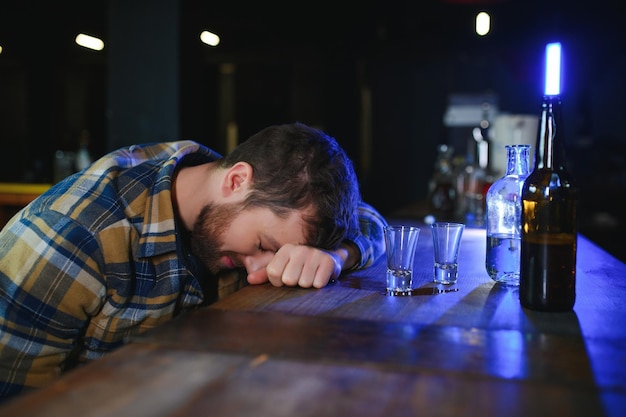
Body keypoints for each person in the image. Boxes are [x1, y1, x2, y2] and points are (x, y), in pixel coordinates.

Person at [0, 122, 387, 401]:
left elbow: (372, 221)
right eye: (263, 244)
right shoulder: (71, 237)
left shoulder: (225, 183)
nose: (260, 271)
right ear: (236, 181)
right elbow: (14, 400)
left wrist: (337, 255)